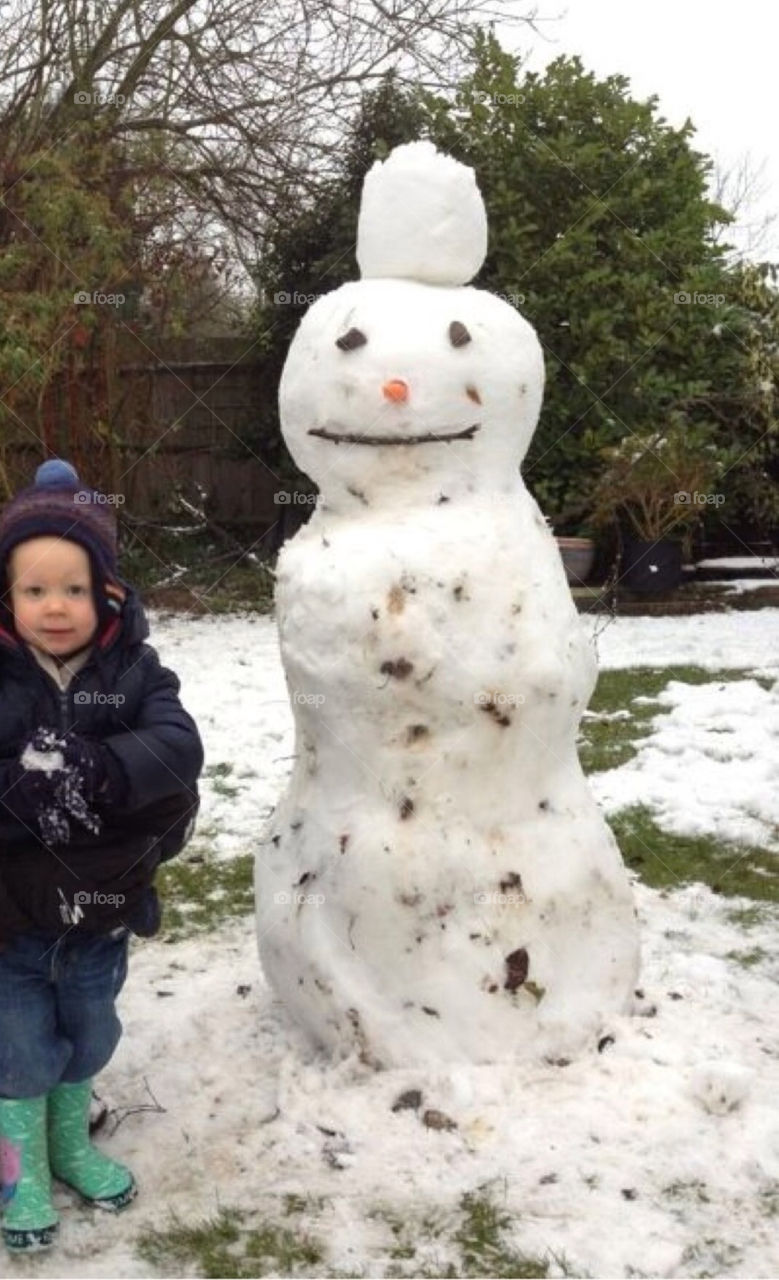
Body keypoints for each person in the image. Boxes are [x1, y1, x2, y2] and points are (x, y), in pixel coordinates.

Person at [0, 459, 203, 1253]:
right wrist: (26, 788)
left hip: (99, 916)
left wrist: (101, 768)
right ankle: (19, 1170)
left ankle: (70, 1145)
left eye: (74, 589)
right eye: (34, 589)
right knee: (19, 1049)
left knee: (90, 1034)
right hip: (12, 923)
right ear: (8, 596)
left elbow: (177, 750)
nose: (55, 606)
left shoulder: (135, 673)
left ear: (108, 595)